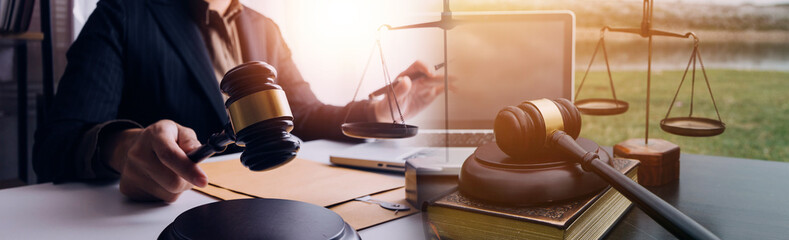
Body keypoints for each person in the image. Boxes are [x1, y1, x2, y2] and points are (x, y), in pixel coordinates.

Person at [33, 0, 444, 202]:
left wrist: (379, 111)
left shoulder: (264, 28)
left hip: (274, 203)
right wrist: (123, 148)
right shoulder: (124, 14)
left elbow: (303, 113)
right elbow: (56, 143)